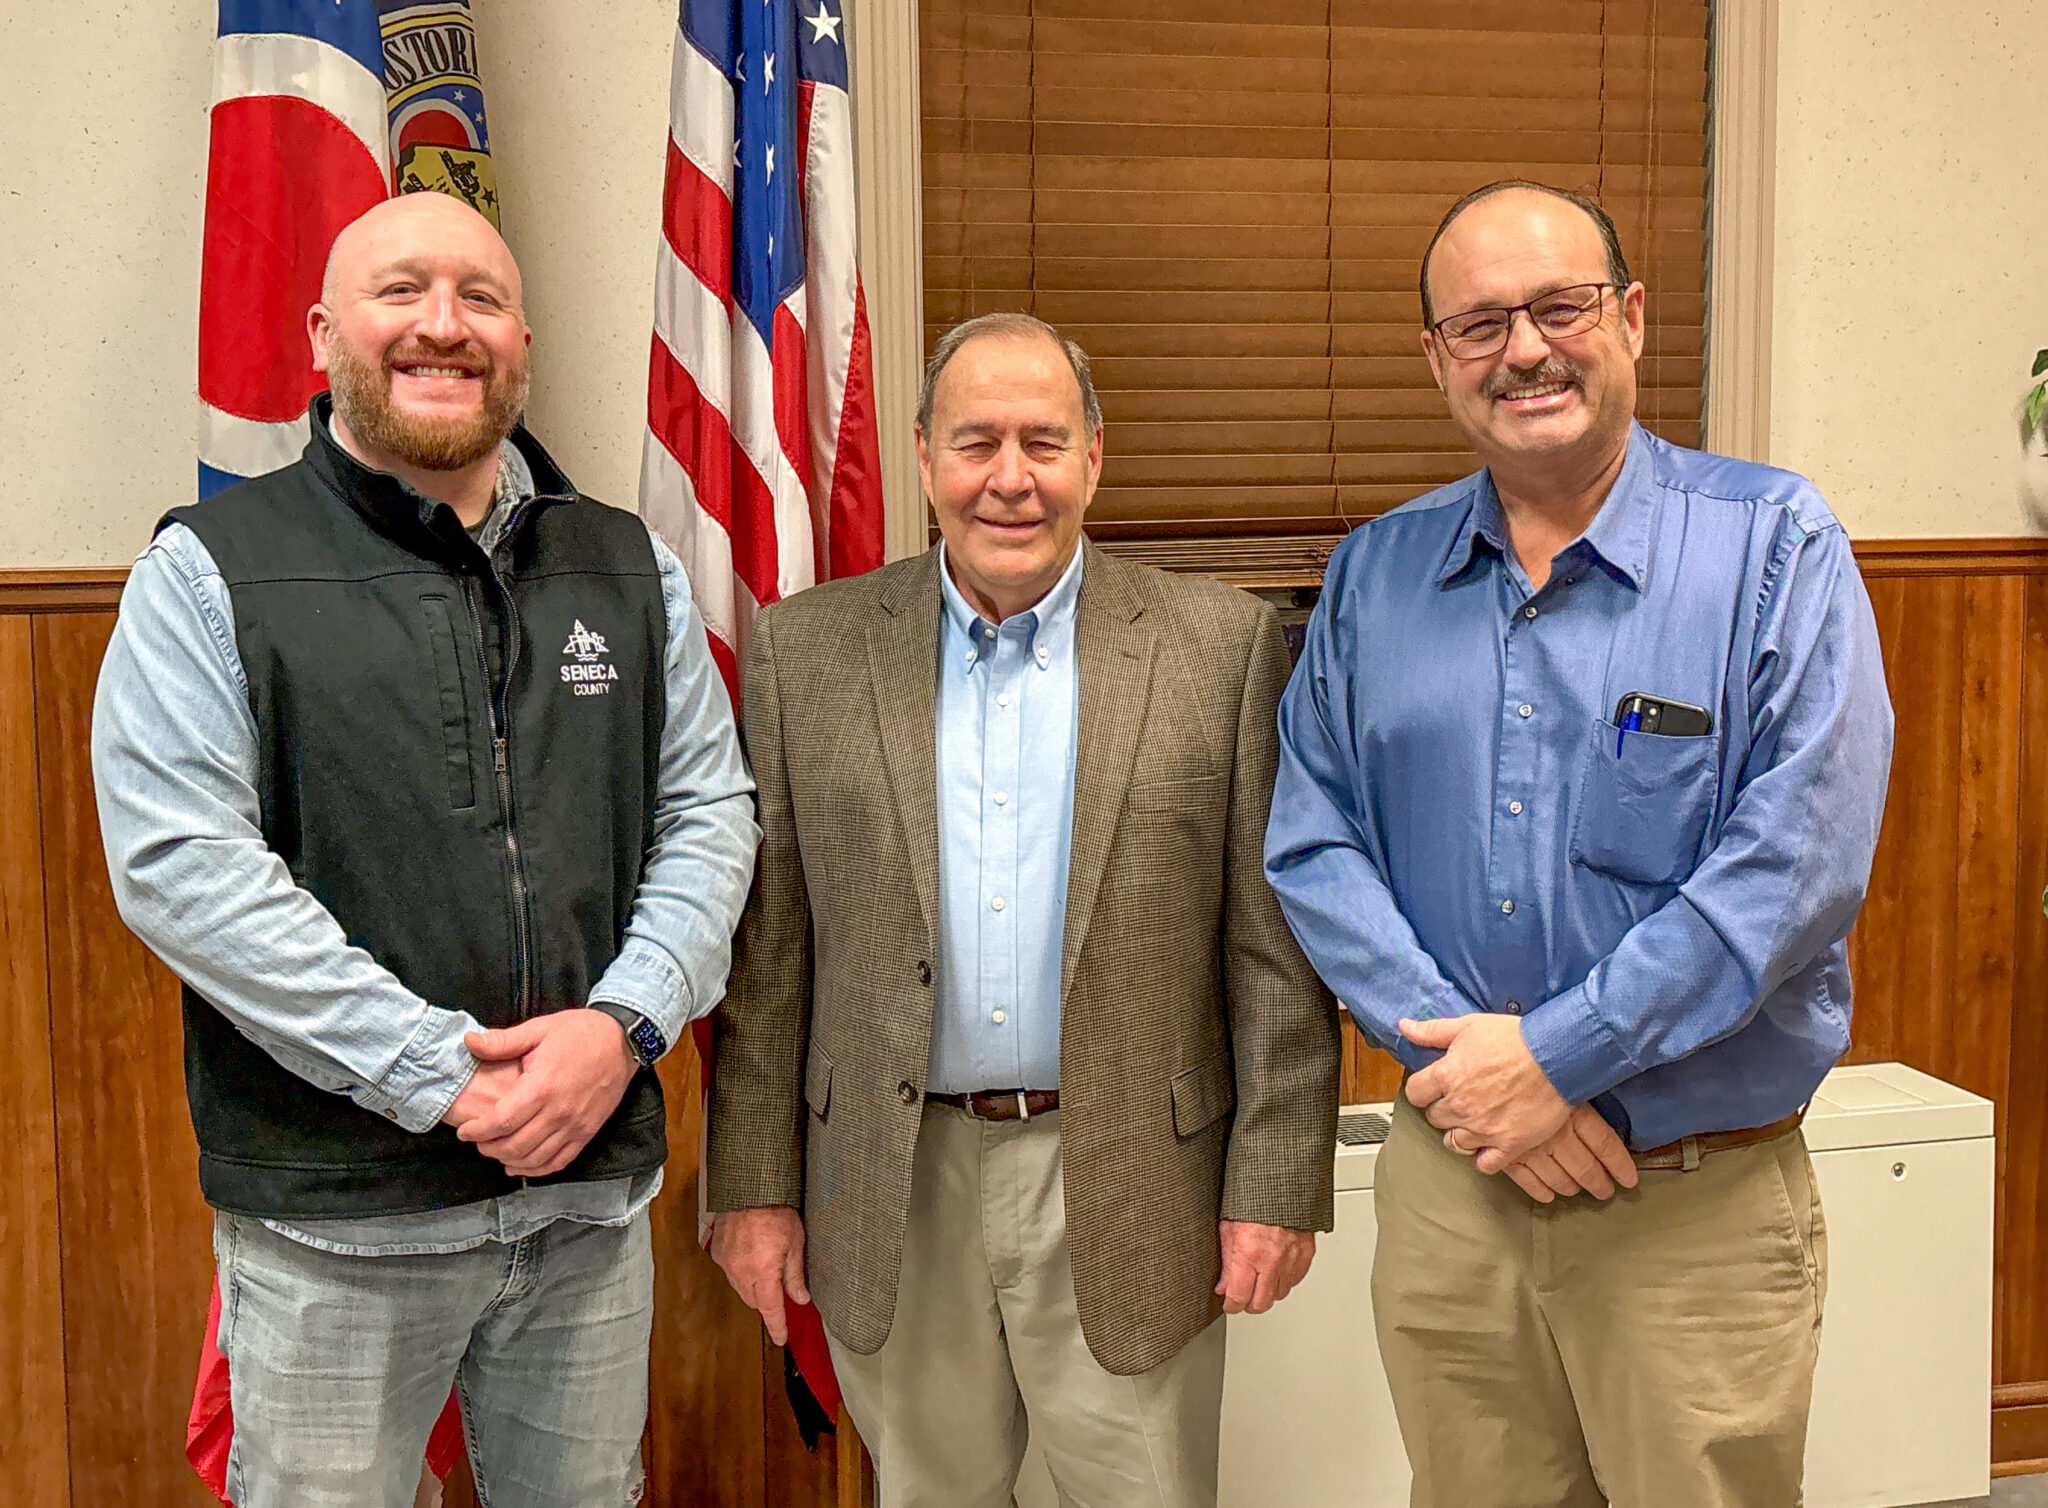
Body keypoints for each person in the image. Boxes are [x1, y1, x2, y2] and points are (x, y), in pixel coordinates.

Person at [91, 192, 758, 1508]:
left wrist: (618, 1029)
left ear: (522, 340)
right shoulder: (212, 571)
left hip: (582, 1215)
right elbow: (182, 869)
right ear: (324, 334)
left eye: (480, 298)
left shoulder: (628, 567)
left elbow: (708, 815)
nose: (443, 326)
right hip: (338, 1229)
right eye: (402, 293)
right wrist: (442, 1077)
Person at [1264, 181, 1894, 1507]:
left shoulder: (1776, 546)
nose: (1526, 349)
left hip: (1694, 1209)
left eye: (1562, 306)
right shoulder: (1374, 576)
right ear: (1438, 359)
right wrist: (1479, 1077)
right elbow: (1313, 843)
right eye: (1481, 323)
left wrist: (1559, 1056)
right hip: (1457, 1193)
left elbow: (1799, 860)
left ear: (1634, 319)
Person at [704, 312, 1341, 1508]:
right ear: (924, 454)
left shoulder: (1221, 648)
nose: (1009, 478)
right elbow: (769, 953)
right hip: (892, 1181)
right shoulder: (808, 654)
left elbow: (1270, 952)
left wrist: (1274, 1178)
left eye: (1042, 442)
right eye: (976, 441)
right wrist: (750, 1182)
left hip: (1132, 1175)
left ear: (1093, 456)